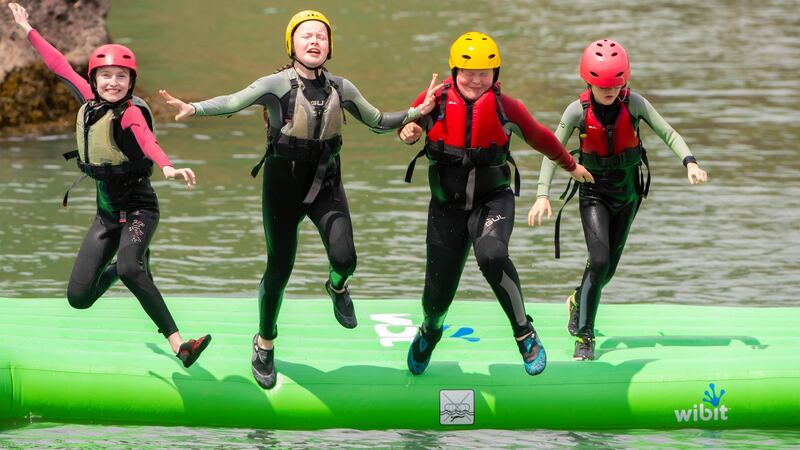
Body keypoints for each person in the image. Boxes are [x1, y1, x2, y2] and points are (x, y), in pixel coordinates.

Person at [159, 10, 441, 389]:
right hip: (283, 185)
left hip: (326, 181)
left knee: (346, 259)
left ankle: (337, 286)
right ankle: (264, 342)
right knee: (279, 270)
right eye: (306, 35)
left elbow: (376, 121)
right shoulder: (276, 85)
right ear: (291, 44)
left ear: (329, 46)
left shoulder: (342, 87)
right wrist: (194, 108)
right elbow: (233, 100)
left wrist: (415, 113)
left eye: (321, 37)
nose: (314, 42)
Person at [8, 3, 211, 367]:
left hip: (139, 209)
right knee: (79, 298)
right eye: (106, 75)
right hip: (105, 215)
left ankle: (180, 343)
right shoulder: (87, 102)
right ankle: (122, 265)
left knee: (134, 268)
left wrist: (167, 167)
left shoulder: (131, 112)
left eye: (121, 76)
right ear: (95, 78)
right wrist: (26, 28)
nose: (113, 82)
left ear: (130, 81)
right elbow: (57, 64)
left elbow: (147, 140)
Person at [399, 32, 594, 376]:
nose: (475, 80)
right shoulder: (435, 99)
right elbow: (407, 124)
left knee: (491, 254)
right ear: (454, 70)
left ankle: (524, 333)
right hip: (446, 208)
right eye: (468, 72)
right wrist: (409, 130)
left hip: (493, 201)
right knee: (436, 296)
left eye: (484, 73)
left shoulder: (507, 108)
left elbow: (541, 137)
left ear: (495, 74)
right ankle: (431, 330)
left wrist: (571, 165)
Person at [527, 39, 708, 361]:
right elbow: (551, 150)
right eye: (602, 85)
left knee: (606, 271)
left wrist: (690, 162)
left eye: (615, 84)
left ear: (624, 81)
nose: (609, 90)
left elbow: (668, 132)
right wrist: (542, 194)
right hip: (594, 194)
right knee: (598, 262)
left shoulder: (635, 104)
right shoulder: (576, 111)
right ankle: (585, 338)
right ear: (589, 80)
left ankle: (576, 300)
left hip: (628, 195)